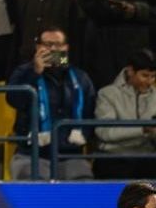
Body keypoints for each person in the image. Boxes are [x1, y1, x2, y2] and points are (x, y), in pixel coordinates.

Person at [7, 27, 97, 180]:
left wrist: (79, 140)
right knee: (36, 184)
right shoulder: (23, 73)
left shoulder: (80, 78)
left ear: (66, 48)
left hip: (70, 155)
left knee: (82, 183)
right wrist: (34, 73)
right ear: (38, 47)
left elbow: (90, 115)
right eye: (47, 44)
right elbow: (14, 100)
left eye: (58, 44)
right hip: (31, 154)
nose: (53, 49)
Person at [79, 0, 156, 88]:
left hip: (135, 47)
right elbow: (85, 2)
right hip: (101, 47)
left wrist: (135, 10)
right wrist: (110, 8)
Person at [93, 49, 156, 180]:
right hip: (113, 157)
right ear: (130, 71)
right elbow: (105, 133)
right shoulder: (107, 94)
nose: (149, 81)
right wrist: (143, 129)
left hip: (147, 158)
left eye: (153, 76)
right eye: (145, 75)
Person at [15, 0, 83, 66]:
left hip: (57, 63)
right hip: (25, 62)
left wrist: (62, 64)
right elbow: (18, 34)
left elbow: (74, 39)